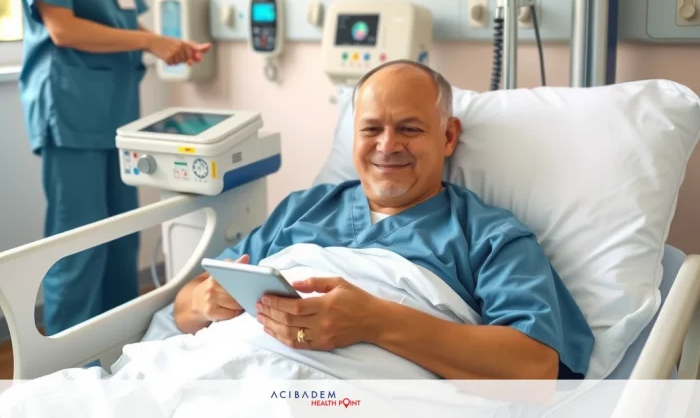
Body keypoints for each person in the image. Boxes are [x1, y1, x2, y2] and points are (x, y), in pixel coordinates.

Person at [174, 59, 595, 380]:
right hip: (223, 376)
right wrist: (203, 302)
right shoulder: (302, 209)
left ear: (449, 137)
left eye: (409, 129)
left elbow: (534, 366)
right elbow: (186, 306)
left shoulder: (488, 235)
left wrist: (375, 322)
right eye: (371, 129)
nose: (387, 146)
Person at [13, 0, 211, 336]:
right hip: (70, 108)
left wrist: (164, 45)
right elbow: (62, 29)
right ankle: (69, 373)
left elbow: (121, 19)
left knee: (123, 241)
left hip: (117, 108)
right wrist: (148, 40)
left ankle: (120, 352)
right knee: (79, 246)